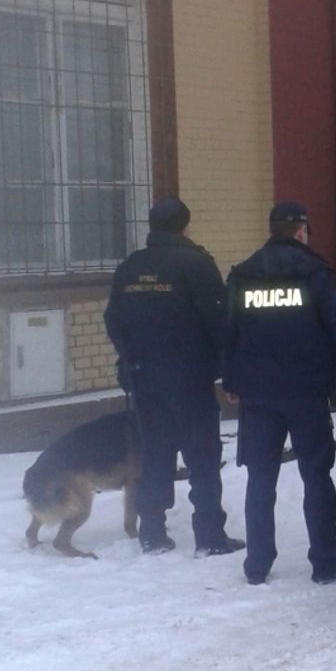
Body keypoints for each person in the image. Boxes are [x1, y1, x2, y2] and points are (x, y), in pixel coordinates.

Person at [222, 201, 336, 585]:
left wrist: (231, 381)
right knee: (316, 474)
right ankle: (326, 562)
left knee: (260, 478)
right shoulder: (314, 273)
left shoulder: (244, 274)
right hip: (305, 391)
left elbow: (228, 330)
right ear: (300, 231)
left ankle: (257, 564)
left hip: (258, 395)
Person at [104, 197, 244, 557]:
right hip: (190, 378)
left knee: (155, 453)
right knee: (203, 456)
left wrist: (130, 360)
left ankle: (152, 532)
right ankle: (210, 535)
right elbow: (220, 322)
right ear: (185, 225)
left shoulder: (130, 267)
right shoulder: (196, 264)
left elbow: (113, 321)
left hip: (144, 380)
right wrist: (228, 370)